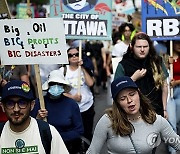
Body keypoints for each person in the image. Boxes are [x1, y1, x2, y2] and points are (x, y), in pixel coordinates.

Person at [86, 76, 180, 154]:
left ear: (138, 94)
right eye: (123, 98)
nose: (129, 100)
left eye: (132, 94)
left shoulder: (155, 120)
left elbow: (177, 143)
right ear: (117, 103)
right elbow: (92, 151)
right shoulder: (108, 120)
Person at [0, 80, 69, 154]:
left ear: (32, 105)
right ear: (3, 107)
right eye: (10, 104)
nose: (16, 109)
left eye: (22, 103)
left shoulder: (48, 131)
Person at [114, 32, 168, 118]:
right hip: (134, 113)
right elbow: (117, 89)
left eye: (145, 47)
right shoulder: (124, 65)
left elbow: (164, 85)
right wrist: (133, 79)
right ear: (132, 47)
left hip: (157, 110)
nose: (142, 49)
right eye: (139, 47)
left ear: (149, 47)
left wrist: (165, 109)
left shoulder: (157, 61)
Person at [31, 69, 84, 154]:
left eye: (59, 84)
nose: (56, 86)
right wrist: (38, 118)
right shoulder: (39, 103)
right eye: (53, 84)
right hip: (44, 147)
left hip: (67, 147)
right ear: (48, 86)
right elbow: (29, 128)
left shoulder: (71, 104)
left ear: (63, 86)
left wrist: (57, 138)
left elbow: (79, 130)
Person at [59, 47, 95, 144]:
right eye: (71, 55)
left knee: (87, 133)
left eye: (76, 54)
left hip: (87, 107)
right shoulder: (62, 71)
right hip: (71, 109)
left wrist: (82, 68)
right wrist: (73, 97)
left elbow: (91, 83)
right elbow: (59, 91)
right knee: (74, 135)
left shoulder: (85, 67)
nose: (74, 56)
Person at [167, 40, 180, 154]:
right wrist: (167, 64)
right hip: (169, 92)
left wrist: (177, 82)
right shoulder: (165, 57)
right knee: (171, 122)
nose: (179, 46)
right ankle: (172, 151)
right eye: (177, 43)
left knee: (177, 121)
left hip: (179, 91)